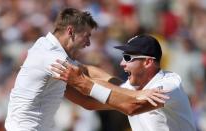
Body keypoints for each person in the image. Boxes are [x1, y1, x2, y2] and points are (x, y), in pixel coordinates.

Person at [5, 8, 169, 131]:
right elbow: (86, 83)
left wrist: (127, 89)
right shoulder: (52, 57)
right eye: (87, 35)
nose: (89, 43)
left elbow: (86, 73)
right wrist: (136, 94)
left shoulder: (46, 46)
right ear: (71, 31)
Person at [51, 34, 196, 131]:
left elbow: (132, 107)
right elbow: (88, 102)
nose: (122, 64)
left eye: (127, 58)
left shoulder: (169, 84)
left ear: (147, 62)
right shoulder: (132, 88)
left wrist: (82, 82)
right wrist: (58, 77)